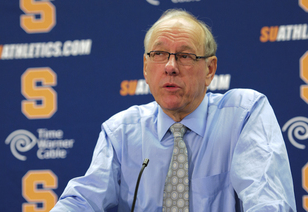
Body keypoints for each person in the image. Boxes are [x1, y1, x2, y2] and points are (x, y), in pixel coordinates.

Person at [51, 9, 296, 211]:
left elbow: (268, 201)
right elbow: (82, 200)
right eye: (159, 54)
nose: (170, 67)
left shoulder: (243, 115)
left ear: (209, 70)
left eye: (185, 56)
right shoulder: (121, 132)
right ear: (146, 68)